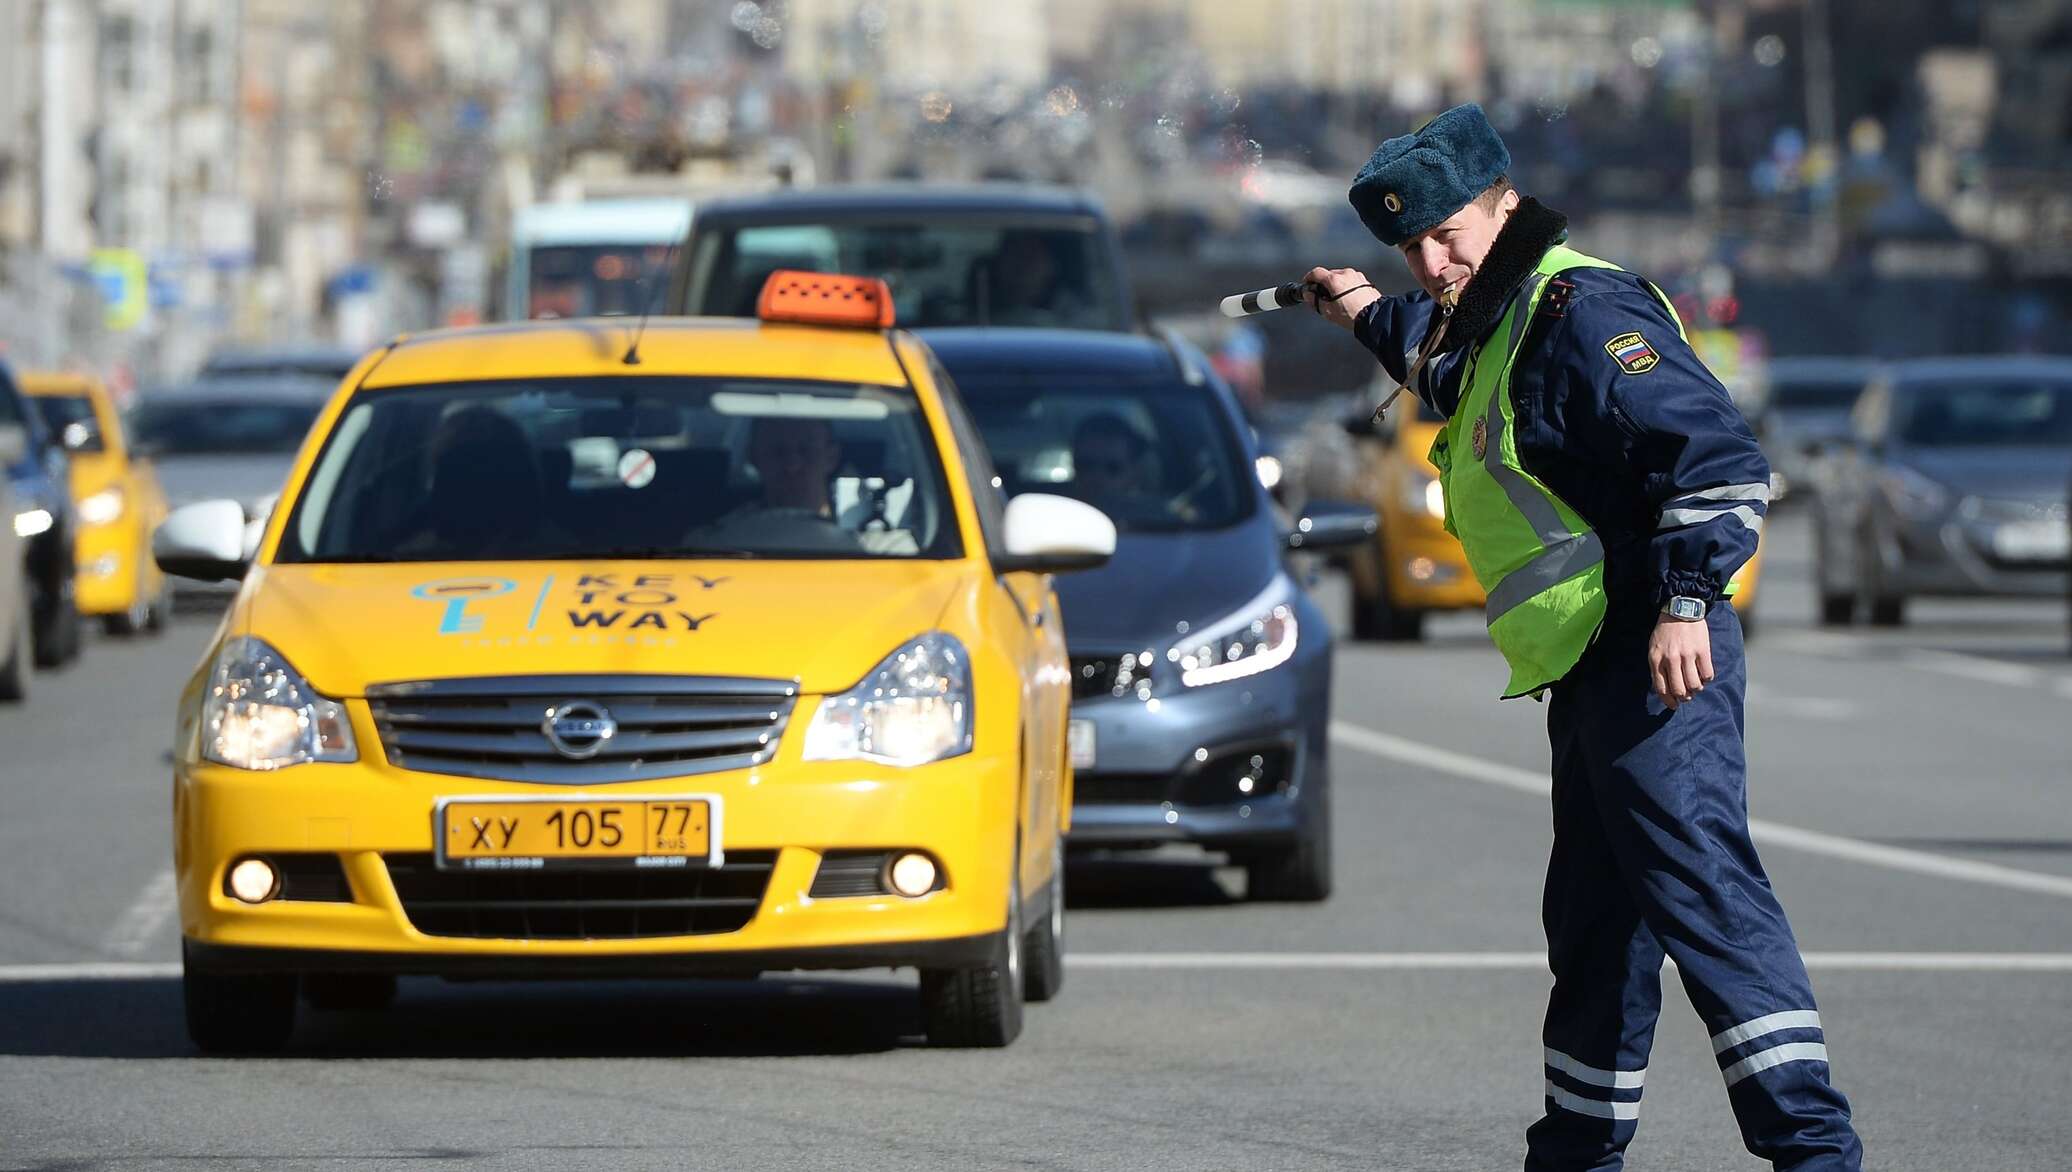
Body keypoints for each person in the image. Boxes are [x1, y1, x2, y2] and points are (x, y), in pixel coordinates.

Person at [1304, 104, 1862, 1171]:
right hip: (1589, 665)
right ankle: (1572, 1151)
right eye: (1407, 248)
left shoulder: (1578, 305)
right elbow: (1446, 370)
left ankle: (1814, 1151)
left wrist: (1688, 600)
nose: (1431, 261)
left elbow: (1716, 459)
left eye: (1447, 234)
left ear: (1501, 204)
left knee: (1704, 901)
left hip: (1656, 656)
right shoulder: (1491, 317)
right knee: (1595, 928)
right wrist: (1366, 309)